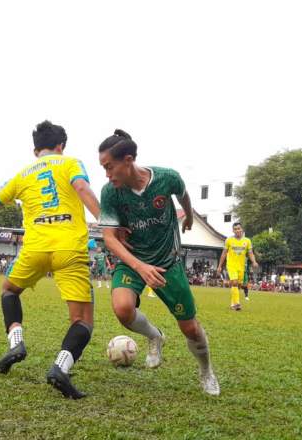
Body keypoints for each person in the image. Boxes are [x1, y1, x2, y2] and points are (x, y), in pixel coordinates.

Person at [0, 120, 101, 399]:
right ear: (61, 146)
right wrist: (106, 220)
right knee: (82, 320)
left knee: (9, 290)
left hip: (34, 249)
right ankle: (60, 368)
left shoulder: (22, 175)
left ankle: (16, 342)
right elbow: (81, 188)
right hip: (69, 249)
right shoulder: (70, 163)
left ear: (35, 151)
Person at [97, 129, 220, 396]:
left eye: (109, 167)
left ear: (128, 160)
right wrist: (140, 266)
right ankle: (155, 336)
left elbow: (183, 194)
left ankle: (206, 372)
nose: (107, 174)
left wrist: (189, 217)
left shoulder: (166, 178)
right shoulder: (110, 193)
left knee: (190, 327)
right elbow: (109, 238)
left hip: (167, 262)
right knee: (122, 308)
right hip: (133, 261)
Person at [217, 222, 259, 310]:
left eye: (238, 228)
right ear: (233, 230)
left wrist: (254, 262)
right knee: (235, 282)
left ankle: (233, 303)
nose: (237, 230)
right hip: (231, 265)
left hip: (241, 266)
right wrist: (220, 266)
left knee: (239, 285)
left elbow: (250, 253)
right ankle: (237, 304)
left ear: (242, 229)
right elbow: (224, 253)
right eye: (235, 229)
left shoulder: (247, 241)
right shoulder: (229, 240)